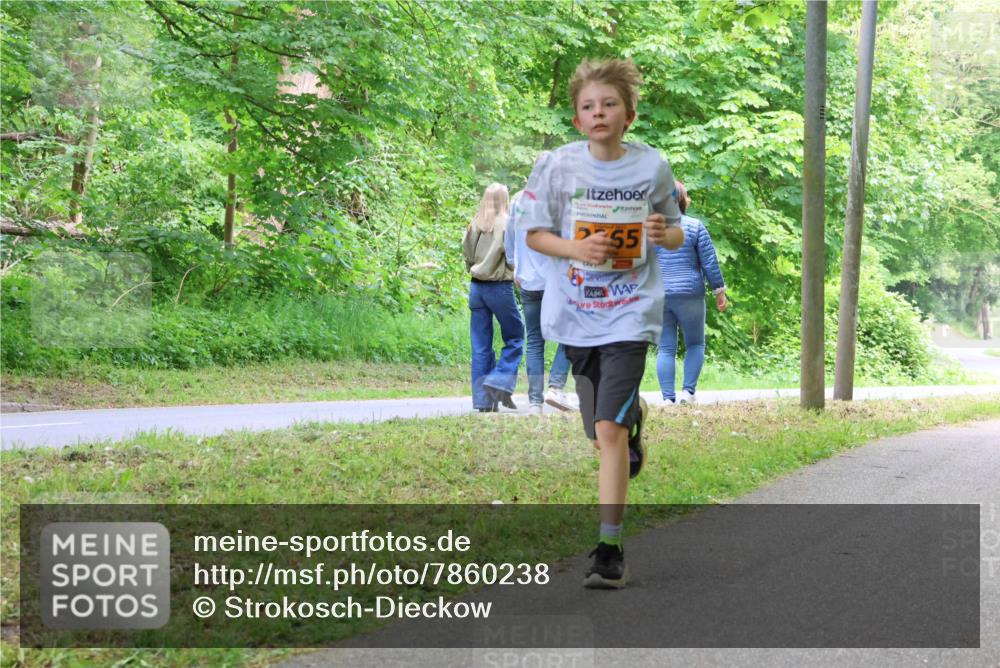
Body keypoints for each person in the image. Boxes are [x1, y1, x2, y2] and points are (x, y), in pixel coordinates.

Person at [520, 58, 683, 588]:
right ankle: (628, 423)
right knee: (601, 435)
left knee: (607, 431)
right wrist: (577, 247)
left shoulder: (652, 167)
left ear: (629, 114)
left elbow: (676, 232)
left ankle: (609, 549)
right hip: (575, 313)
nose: (598, 113)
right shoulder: (558, 167)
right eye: (588, 106)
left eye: (608, 104)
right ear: (576, 120)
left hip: (631, 311)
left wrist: (663, 234)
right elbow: (535, 235)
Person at [505, 177, 579, 416]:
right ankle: (555, 387)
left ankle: (535, 402)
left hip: (528, 281)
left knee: (535, 340)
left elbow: (509, 239)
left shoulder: (519, 202)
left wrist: (514, 265)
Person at [655, 181, 728, 404]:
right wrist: (719, 292)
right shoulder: (696, 227)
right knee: (695, 343)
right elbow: (710, 263)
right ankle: (688, 393)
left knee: (666, 347)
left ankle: (668, 399)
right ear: (683, 200)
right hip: (690, 295)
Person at [462, 183, 524, 412]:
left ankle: (482, 401)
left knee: (480, 346)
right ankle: (498, 380)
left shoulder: (475, 223)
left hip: (476, 288)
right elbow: (510, 258)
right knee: (516, 336)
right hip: (499, 287)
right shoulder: (508, 224)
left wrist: (474, 266)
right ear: (504, 199)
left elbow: (467, 254)